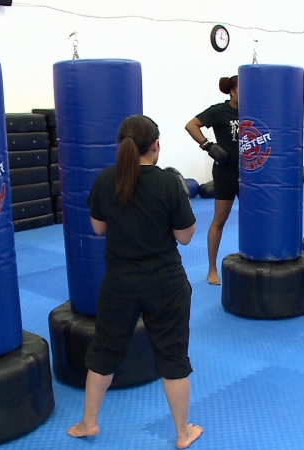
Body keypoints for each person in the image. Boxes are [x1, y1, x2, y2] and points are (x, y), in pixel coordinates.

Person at [68, 115, 202, 449]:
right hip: (166, 284)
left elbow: (99, 229)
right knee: (172, 357)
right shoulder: (169, 183)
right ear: (156, 146)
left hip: (119, 283)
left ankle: (88, 423)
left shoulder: (105, 180)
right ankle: (183, 434)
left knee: (104, 351)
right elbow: (185, 237)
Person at [185, 75, 240, 285]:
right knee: (220, 219)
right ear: (232, 91)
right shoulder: (219, 111)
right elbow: (191, 125)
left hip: (250, 172)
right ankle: (211, 269)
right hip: (226, 171)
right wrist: (208, 146)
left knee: (254, 217)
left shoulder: (254, 109)